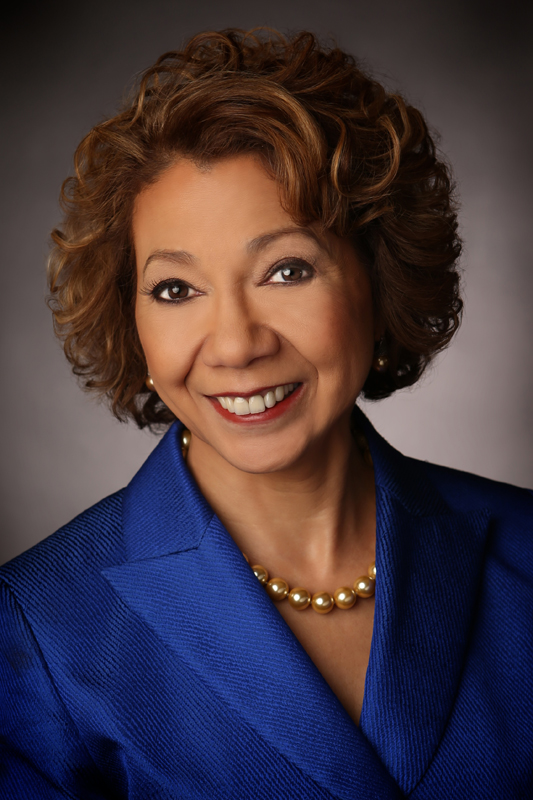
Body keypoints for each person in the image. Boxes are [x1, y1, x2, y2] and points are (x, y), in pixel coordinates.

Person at [0, 28, 532, 799]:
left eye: (286, 270)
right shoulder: (34, 628)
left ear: (378, 280)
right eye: (175, 289)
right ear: (131, 324)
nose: (236, 344)